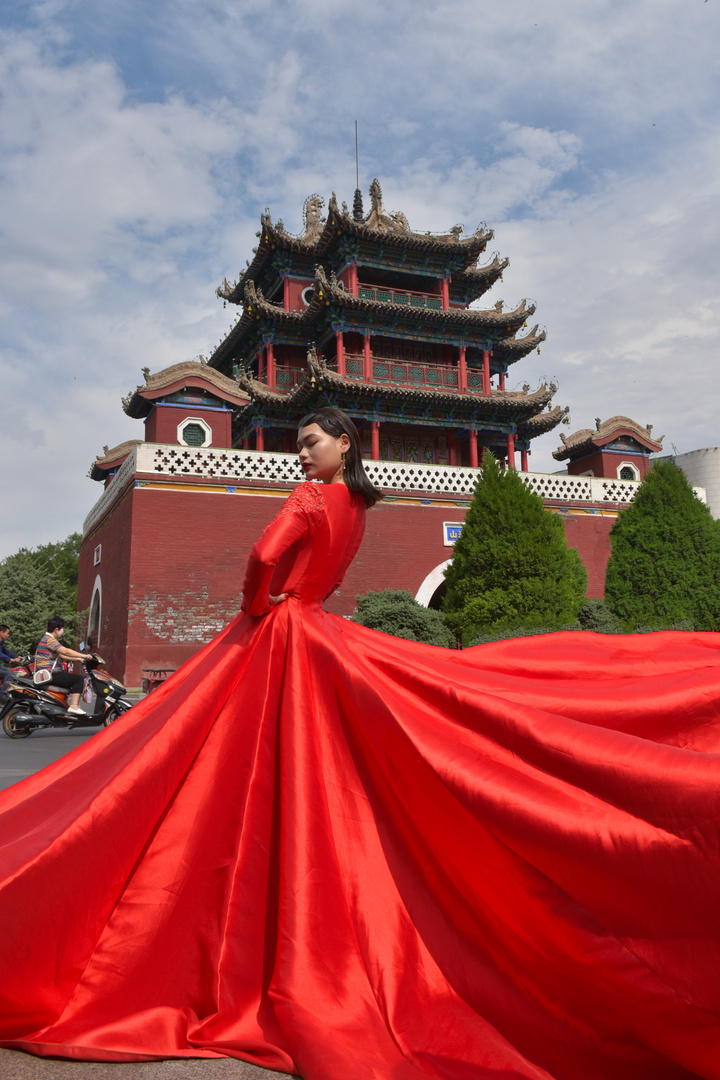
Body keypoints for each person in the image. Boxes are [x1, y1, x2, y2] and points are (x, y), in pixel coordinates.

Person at [1, 407, 720, 1080]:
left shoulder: (314, 499)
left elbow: (261, 555)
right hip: (323, 632)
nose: (301, 455)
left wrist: (260, 606)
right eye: (298, 446)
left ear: (347, 443)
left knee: (198, 765)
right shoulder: (360, 507)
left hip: (282, 636)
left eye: (311, 443)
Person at [34, 615, 89, 715]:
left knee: (72, 678)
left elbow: (61, 655)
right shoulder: (49, 640)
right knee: (78, 679)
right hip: (50, 673)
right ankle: (74, 706)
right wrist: (85, 656)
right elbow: (65, 651)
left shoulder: (47, 639)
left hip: (49, 673)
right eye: (62, 629)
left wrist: (77, 659)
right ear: (56, 629)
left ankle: (75, 706)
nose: (62, 631)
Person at [0, 624, 20, 693]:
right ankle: (3, 695)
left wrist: (18, 657)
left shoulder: (1, 644)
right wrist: (11, 659)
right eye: (7, 633)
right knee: (10, 673)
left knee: (13, 670)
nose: (8, 635)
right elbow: (1, 654)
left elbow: (6, 652)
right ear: (1, 633)